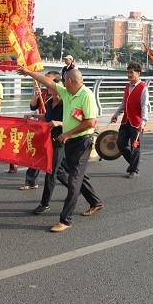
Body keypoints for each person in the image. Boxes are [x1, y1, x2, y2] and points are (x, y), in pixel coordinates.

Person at [17, 67, 103, 233]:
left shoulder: (86, 96)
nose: (61, 87)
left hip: (81, 142)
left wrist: (67, 133)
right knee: (79, 176)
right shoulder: (67, 93)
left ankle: (65, 220)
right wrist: (29, 73)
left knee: (73, 181)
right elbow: (48, 82)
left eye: (65, 83)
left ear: (70, 81)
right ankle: (96, 202)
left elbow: (90, 122)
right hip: (69, 141)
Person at [30, 74, 70, 215]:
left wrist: (60, 123)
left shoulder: (66, 103)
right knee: (58, 171)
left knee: (50, 172)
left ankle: (45, 203)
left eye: (54, 88)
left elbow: (75, 123)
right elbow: (47, 118)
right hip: (48, 141)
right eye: (51, 89)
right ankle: (76, 188)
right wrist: (33, 116)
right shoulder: (49, 102)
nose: (52, 91)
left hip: (60, 142)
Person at [21, 72, 62, 190]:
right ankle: (31, 181)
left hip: (55, 132)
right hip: (41, 129)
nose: (44, 81)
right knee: (35, 153)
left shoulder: (62, 97)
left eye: (47, 80)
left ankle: (75, 184)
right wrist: (36, 95)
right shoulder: (44, 93)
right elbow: (33, 106)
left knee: (59, 165)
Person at [110, 62, 150, 178]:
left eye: (131, 72)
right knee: (120, 143)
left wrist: (143, 122)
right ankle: (134, 162)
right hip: (125, 120)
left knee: (135, 146)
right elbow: (124, 103)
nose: (129, 74)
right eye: (128, 72)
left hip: (136, 123)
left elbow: (144, 106)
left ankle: (133, 170)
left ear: (138, 73)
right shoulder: (127, 86)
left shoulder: (143, 88)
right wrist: (116, 114)